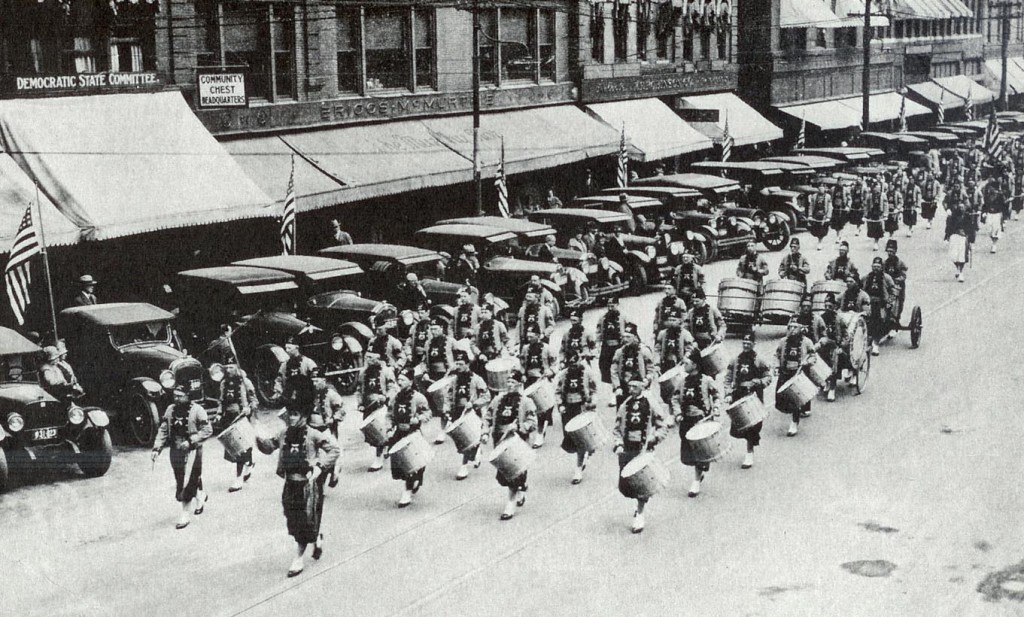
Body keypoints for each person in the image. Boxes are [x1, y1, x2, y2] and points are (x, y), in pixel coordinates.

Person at [256, 404, 340, 578]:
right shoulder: (283, 433)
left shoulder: (313, 434)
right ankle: (316, 538)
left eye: (295, 414)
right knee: (292, 519)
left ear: (303, 416)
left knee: (304, 520)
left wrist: (320, 466)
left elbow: (334, 449)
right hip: (290, 484)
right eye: (290, 415)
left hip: (308, 486)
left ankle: (298, 558)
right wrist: (257, 437)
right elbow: (269, 447)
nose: (291, 418)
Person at [612, 378, 670, 533]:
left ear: (641, 387)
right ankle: (638, 507)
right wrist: (618, 443)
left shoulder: (650, 403)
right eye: (629, 386)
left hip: (643, 449)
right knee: (626, 485)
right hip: (627, 449)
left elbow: (662, 425)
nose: (630, 389)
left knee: (642, 483)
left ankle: (640, 513)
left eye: (634, 386)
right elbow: (617, 428)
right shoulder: (624, 405)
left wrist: (655, 438)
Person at [151, 387, 213, 529]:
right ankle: (200, 496)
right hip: (175, 450)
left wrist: (191, 441)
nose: (176, 399)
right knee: (181, 476)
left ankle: (185, 513)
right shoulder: (170, 410)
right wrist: (157, 448)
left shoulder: (198, 410)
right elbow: (164, 429)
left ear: (188, 396)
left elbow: (208, 430)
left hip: (192, 451)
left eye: (180, 396)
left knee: (187, 480)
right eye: (175, 396)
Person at [481, 370, 538, 520]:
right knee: (504, 475)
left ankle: (510, 504)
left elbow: (532, 422)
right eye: (508, 382)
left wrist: (519, 427)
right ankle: (521, 487)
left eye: (513, 382)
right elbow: (487, 417)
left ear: (520, 384)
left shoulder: (527, 402)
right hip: (500, 440)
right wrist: (485, 432)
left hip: (517, 442)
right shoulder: (498, 399)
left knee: (515, 472)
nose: (510, 385)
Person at [671, 349, 721, 498]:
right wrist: (678, 413)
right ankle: (700, 471)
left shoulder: (706, 380)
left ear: (695, 364)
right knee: (689, 454)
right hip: (686, 421)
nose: (684, 366)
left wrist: (717, 407)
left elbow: (716, 395)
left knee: (700, 452)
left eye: (686, 363)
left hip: (702, 421)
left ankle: (696, 480)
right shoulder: (681, 382)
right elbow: (674, 399)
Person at [723, 332, 772, 468]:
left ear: (753, 344)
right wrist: (727, 393)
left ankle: (749, 453)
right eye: (744, 343)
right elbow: (727, 379)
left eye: (748, 344)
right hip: (738, 395)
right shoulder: (735, 360)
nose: (745, 346)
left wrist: (757, 382)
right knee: (740, 426)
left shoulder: (760, 360)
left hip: (754, 396)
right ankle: (748, 448)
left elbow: (768, 378)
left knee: (752, 427)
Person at [387, 368, 432, 508]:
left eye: (403, 380)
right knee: (402, 464)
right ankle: (411, 483)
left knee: (413, 462)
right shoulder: (395, 398)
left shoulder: (419, 398)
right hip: (399, 433)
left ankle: (407, 491)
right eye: (398, 379)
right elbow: (389, 415)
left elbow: (428, 413)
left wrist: (418, 419)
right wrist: (389, 427)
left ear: (411, 381)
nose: (399, 382)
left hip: (413, 434)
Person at [446, 349, 491, 480]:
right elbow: (448, 396)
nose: (458, 366)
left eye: (461, 364)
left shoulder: (477, 379)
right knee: (462, 440)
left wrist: (475, 403)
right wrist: (447, 410)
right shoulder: (454, 380)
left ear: (467, 364)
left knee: (467, 440)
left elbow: (486, 396)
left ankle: (464, 465)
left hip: (471, 413)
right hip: (458, 412)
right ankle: (477, 450)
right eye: (457, 363)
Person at [555, 351, 599, 484]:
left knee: (581, 439)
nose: (573, 366)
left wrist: (592, 402)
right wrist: (560, 405)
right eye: (571, 364)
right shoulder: (563, 375)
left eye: (575, 362)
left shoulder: (587, 373)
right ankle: (584, 454)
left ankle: (578, 468)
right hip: (568, 409)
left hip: (582, 407)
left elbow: (594, 390)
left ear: (580, 360)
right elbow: (557, 392)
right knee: (571, 439)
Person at [218, 363, 258, 492]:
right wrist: (219, 413)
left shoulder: (245, 382)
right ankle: (250, 463)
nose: (228, 370)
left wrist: (249, 408)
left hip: (242, 417)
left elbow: (254, 400)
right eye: (227, 368)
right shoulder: (223, 383)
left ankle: (238, 478)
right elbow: (221, 400)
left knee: (241, 447)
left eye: (231, 367)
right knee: (234, 448)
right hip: (229, 418)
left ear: (237, 368)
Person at [774, 317, 817, 437]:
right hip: (785, 373)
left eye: (795, 327)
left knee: (795, 400)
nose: (792, 330)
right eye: (790, 327)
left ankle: (794, 422)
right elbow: (776, 355)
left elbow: (813, 356)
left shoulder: (807, 342)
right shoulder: (783, 341)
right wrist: (776, 367)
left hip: (799, 375)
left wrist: (807, 362)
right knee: (780, 399)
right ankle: (792, 413)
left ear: (801, 328)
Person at [357, 350, 397, 472]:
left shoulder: (386, 371)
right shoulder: (363, 372)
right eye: (366, 357)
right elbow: (359, 390)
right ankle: (385, 446)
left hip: (382, 406)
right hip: (368, 406)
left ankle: (378, 458)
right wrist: (359, 404)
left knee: (379, 430)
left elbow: (392, 387)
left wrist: (386, 397)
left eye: (370, 357)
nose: (367, 360)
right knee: (372, 433)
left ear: (377, 358)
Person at [518, 324, 557, 448]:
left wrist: (550, 372)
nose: (529, 336)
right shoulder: (525, 348)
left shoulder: (547, 348)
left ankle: (540, 435)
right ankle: (528, 431)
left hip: (542, 382)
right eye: (528, 334)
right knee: (529, 407)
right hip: (529, 382)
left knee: (542, 409)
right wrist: (523, 374)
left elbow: (555, 364)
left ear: (538, 335)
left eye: (532, 334)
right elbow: (522, 363)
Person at [310, 367, 346, 488]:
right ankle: (321, 484)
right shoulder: (309, 394)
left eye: (317, 381)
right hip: (313, 429)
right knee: (317, 458)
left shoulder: (331, 395)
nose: (314, 384)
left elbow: (341, 410)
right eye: (313, 381)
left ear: (324, 380)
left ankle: (335, 471)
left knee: (331, 454)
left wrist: (333, 418)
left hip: (327, 429)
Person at [420, 317, 454, 443]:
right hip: (432, 377)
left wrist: (452, 372)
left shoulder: (451, 342)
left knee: (445, 404)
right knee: (437, 405)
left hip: (447, 376)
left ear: (442, 329)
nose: (433, 331)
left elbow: (461, 358)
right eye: (431, 329)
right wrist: (424, 372)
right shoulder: (428, 343)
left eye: (435, 329)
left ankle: (442, 430)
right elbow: (423, 361)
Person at [655, 305, 696, 405]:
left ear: (680, 321)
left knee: (679, 390)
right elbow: (657, 350)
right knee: (666, 390)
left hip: (680, 366)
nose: (671, 322)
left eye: (674, 319)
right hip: (666, 364)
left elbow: (692, 347)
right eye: (669, 319)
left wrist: (686, 356)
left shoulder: (686, 334)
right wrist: (656, 364)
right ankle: (670, 410)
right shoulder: (662, 333)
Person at [610, 323, 655, 408]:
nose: (625, 339)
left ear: (635, 337)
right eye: (624, 337)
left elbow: (651, 368)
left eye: (628, 337)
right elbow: (613, 371)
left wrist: (647, 380)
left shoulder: (644, 351)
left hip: (639, 387)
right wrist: (617, 387)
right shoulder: (619, 352)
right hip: (623, 388)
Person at [275, 339, 318, 415]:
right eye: (286, 348)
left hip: (306, 400)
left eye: (289, 348)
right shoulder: (284, 365)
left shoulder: (308, 362)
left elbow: (317, 380)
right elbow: (279, 380)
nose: (287, 350)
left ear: (296, 348)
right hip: (290, 400)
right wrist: (280, 391)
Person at [861, 257, 894, 356]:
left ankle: (875, 345)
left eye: (878, 267)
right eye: (874, 266)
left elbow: (893, 292)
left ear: (882, 267)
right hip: (868, 302)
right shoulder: (866, 277)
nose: (876, 268)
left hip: (881, 304)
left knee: (878, 322)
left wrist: (889, 303)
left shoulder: (887, 278)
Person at [814, 293, 844, 402]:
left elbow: (846, 335)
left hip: (835, 346)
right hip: (823, 346)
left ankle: (832, 388)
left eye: (830, 307)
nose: (827, 309)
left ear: (834, 307)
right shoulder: (820, 318)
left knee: (834, 363)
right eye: (825, 306)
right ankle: (826, 381)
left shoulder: (839, 319)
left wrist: (842, 346)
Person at [472, 302, 510, 373]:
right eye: (482, 312)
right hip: (482, 357)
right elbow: (473, 344)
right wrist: (479, 354)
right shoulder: (477, 328)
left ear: (491, 313)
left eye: (485, 312)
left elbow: (506, 339)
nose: (483, 314)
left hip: (496, 356)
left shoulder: (499, 325)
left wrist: (508, 349)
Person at [596, 296, 625, 386]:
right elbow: (598, 332)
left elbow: (631, 331)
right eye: (608, 306)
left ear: (617, 305)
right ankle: (609, 386)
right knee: (604, 366)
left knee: (619, 366)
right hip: (606, 347)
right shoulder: (603, 318)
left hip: (618, 346)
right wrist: (597, 344)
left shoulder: (623, 317)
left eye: (612, 306)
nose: (610, 308)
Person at [881, 239, 908, 330]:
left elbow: (904, 275)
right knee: (887, 302)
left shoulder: (900, 263)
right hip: (888, 286)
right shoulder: (885, 263)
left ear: (895, 251)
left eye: (891, 251)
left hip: (898, 287)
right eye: (888, 251)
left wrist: (897, 280)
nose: (890, 253)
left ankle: (896, 321)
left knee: (898, 304)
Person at [983, 175, 1007, 254]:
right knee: (989, 230)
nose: (990, 189)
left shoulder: (1000, 196)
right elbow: (985, 205)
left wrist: (1004, 217)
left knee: (996, 230)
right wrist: (984, 212)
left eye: (992, 187)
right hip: (989, 214)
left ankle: (994, 245)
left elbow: (1003, 206)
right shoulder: (987, 196)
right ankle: (992, 241)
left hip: (997, 215)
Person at [807, 185, 832, 250]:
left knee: (822, 230)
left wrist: (828, 217)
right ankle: (819, 241)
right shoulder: (814, 196)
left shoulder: (828, 196)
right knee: (816, 230)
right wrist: (810, 215)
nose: (821, 190)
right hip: (816, 215)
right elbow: (811, 206)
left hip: (824, 216)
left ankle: (820, 242)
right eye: (819, 188)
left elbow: (830, 207)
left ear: (824, 189)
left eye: (822, 188)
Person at [865, 182, 887, 251]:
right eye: (877, 187)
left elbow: (885, 204)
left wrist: (885, 214)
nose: (878, 188)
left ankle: (876, 242)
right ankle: (875, 241)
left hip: (879, 213)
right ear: (874, 188)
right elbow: (866, 205)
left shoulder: (883, 195)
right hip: (872, 213)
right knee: (873, 228)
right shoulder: (870, 195)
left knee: (878, 228)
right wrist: (866, 214)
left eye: (879, 187)